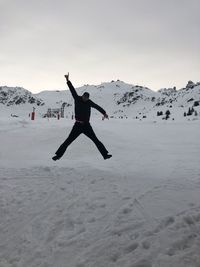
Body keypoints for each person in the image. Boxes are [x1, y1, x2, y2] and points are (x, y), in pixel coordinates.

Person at [52, 73, 112, 161]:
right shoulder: (77, 98)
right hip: (77, 125)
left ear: (88, 98)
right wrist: (67, 80)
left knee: (96, 140)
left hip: (87, 126)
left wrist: (104, 113)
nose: (85, 99)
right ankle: (58, 155)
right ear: (82, 96)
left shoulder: (89, 102)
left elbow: (97, 106)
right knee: (68, 141)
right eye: (84, 97)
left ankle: (105, 155)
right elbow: (72, 90)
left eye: (87, 98)